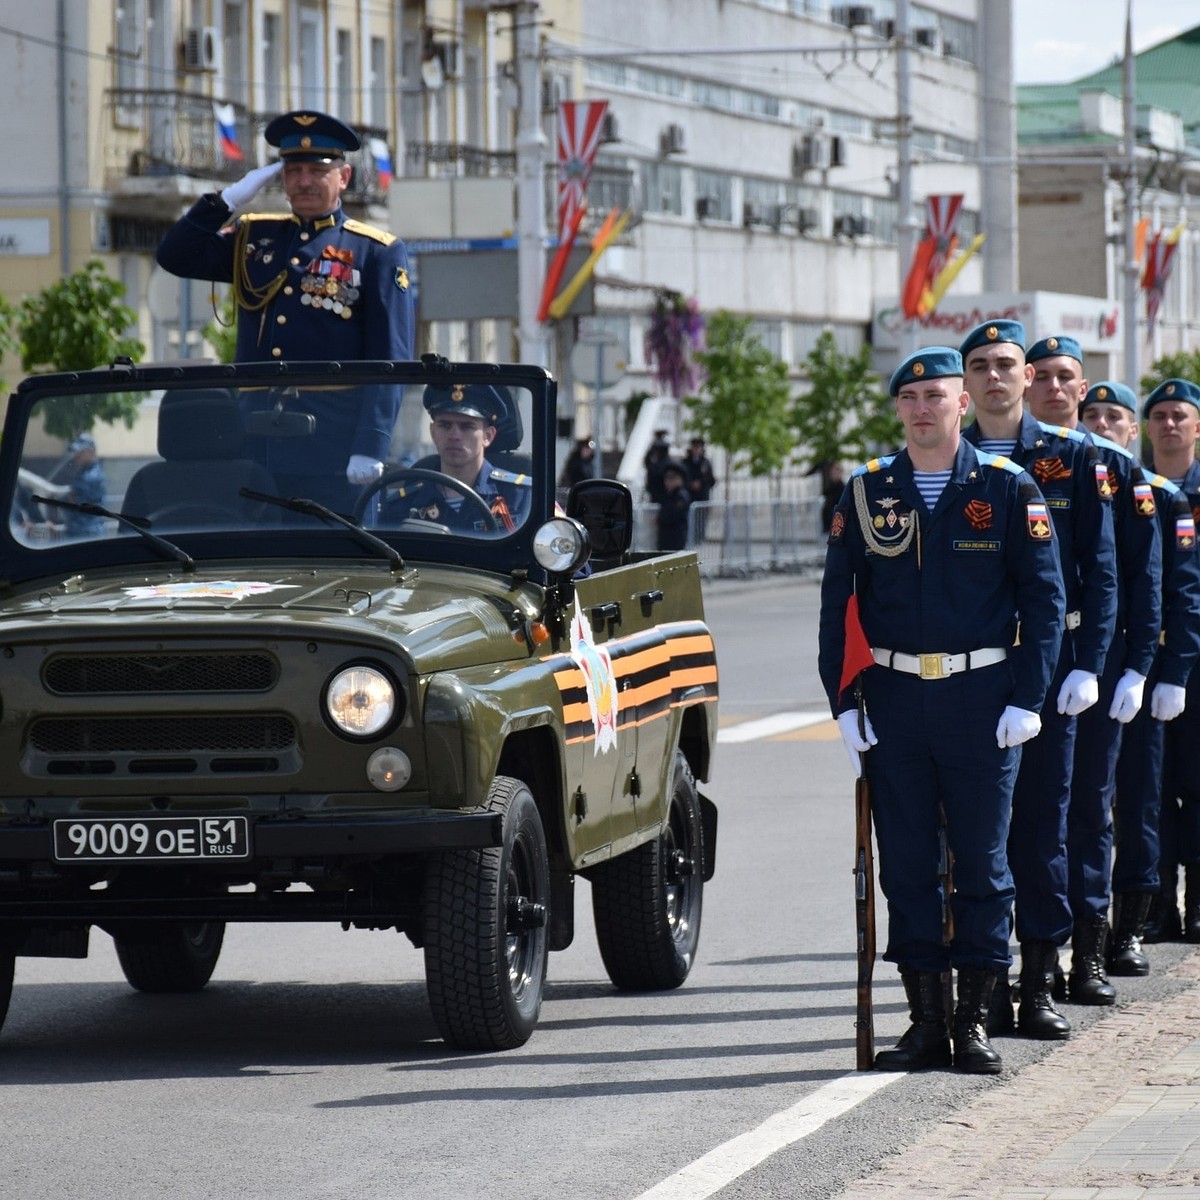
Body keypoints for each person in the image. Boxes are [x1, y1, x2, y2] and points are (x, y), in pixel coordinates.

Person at [819, 346, 1065, 1076]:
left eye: (936, 395)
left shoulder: (1008, 487)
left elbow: (1045, 603)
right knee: (908, 867)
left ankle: (973, 1021)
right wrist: (841, 702)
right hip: (894, 702)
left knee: (985, 869)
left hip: (982, 701)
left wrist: (1029, 696)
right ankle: (925, 1021)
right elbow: (839, 608)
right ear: (898, 408)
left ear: (963, 403)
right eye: (911, 397)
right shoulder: (867, 494)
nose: (923, 408)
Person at [959, 320, 1117, 1041]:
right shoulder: (937, 462)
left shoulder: (1071, 459)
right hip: (965, 675)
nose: (996, 377)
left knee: (1043, 829)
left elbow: (1103, 570)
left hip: (1048, 667)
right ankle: (982, 986)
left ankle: (1041, 981)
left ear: (1030, 377)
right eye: (982, 365)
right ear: (965, 384)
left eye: (1007, 365)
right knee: (965, 840)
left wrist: (1090, 663)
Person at [156, 109, 414, 513]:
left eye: (317, 170)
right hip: (255, 446)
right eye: (293, 171)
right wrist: (225, 201)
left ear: (342, 178)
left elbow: (391, 359)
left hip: (333, 451)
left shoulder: (375, 251)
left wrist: (371, 443)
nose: (304, 181)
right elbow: (176, 256)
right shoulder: (255, 237)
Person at [1024, 337, 1162, 1005]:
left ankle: (1089, 952)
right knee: (1033, 815)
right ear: (1027, 385)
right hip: (1023, 661)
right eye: (1043, 377)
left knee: (1089, 807)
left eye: (1066, 379)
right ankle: (1037, 955)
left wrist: (1136, 667)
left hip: (1092, 660)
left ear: (1082, 390)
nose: (1055, 388)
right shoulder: (1006, 461)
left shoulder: (1109, 467)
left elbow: (1135, 575)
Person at [1080, 379, 1200, 974]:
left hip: (1141, 668)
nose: (1101, 424)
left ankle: (1133, 922)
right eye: (1091, 414)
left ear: (1133, 431)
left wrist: (1168, 669)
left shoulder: (1156, 496)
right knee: (1089, 808)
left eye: (1114, 417)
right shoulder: (1059, 487)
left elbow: (1176, 592)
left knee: (1143, 797)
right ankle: (1092, 923)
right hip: (1082, 669)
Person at [1136, 379, 1200, 944]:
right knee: (1147, 789)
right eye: (1159, 415)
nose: (1169, 424)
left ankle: (1198, 901)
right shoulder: (1133, 489)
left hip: (1197, 659)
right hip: (1146, 658)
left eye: (1180, 414)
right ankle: (1157, 904)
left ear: (1197, 425)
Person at [383, 383, 531, 533]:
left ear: (488, 436)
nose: (454, 436)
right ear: (433, 433)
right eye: (445, 425)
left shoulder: (522, 498)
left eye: (467, 426)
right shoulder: (404, 503)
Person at [62, 433, 108, 537]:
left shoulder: (91, 476)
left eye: (81, 452)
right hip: (80, 531)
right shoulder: (85, 472)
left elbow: (72, 500)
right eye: (76, 452)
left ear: (91, 452)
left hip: (87, 533)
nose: (76, 456)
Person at [683, 436, 716, 540]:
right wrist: (690, 485)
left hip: (702, 497)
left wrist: (701, 483)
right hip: (690, 497)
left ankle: (699, 538)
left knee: (700, 521)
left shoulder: (706, 463)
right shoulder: (686, 462)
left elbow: (711, 480)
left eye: (698, 448)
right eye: (695, 447)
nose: (696, 450)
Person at [656, 461, 691, 551]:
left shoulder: (681, 496)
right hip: (665, 538)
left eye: (672, 478)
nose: (667, 481)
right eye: (666, 478)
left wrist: (660, 519)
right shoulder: (668, 495)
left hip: (676, 539)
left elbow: (672, 515)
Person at [644, 429, 671, 503]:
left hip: (663, 492)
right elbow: (647, 462)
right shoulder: (655, 464)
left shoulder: (664, 463)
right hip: (655, 491)